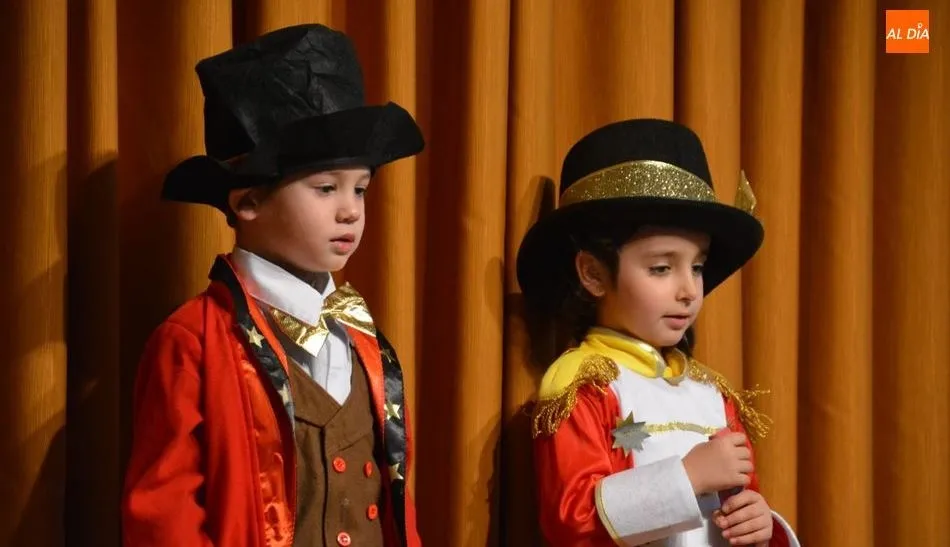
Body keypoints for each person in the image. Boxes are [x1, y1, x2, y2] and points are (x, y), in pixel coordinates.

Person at [122, 24, 424, 547]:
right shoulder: (191, 341)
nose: (350, 209)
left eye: (361, 188)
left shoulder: (362, 337)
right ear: (248, 202)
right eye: (326, 188)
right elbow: (163, 521)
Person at [516, 119, 800, 546]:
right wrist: (687, 477)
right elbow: (570, 520)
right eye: (661, 268)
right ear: (593, 273)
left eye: (698, 266)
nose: (689, 290)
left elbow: (741, 502)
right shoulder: (586, 385)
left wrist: (760, 525)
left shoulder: (711, 393)